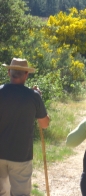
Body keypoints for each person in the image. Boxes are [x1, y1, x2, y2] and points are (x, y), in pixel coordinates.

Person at [0, 58, 50, 196]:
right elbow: (44, 124)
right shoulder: (33, 97)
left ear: (9, 72)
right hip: (21, 155)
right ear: (26, 75)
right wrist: (39, 99)